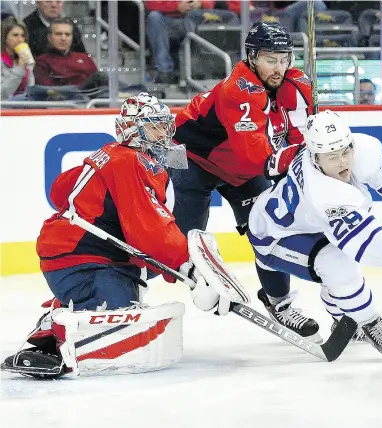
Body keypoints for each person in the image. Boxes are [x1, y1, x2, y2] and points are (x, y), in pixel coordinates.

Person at [1, 93, 231, 379]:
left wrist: (183, 266)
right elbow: (150, 228)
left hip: (80, 254)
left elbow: (61, 190)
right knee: (117, 319)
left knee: (131, 290)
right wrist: (188, 266)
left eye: (164, 125)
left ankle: (63, 314)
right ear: (133, 130)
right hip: (84, 259)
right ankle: (60, 330)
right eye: (154, 127)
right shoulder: (130, 162)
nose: (164, 134)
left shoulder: (114, 154)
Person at [247, 110, 382, 359]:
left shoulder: (355, 149)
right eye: (332, 157)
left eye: (346, 151)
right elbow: (364, 240)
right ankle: (370, 322)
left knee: (337, 264)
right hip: (272, 235)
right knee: (337, 263)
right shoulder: (322, 194)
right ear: (316, 158)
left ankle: (343, 315)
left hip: (309, 224)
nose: (343, 161)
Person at [169, 21, 321, 342]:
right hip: (190, 157)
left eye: (284, 59)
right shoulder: (238, 89)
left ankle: (278, 303)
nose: (279, 67)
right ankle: (178, 283)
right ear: (251, 57)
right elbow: (255, 155)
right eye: (270, 59)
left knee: (269, 229)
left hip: (238, 166)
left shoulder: (296, 84)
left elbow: (297, 136)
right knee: (185, 243)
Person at [33, 17, 99, 87]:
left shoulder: (86, 58)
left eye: (67, 34)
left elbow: (99, 85)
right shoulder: (42, 61)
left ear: (72, 37)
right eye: (58, 34)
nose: (63, 38)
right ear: (49, 37)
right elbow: (48, 91)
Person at [1, 16, 35, 100]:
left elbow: (30, 89)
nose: (20, 40)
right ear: (4, 37)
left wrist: (29, 67)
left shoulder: (22, 57)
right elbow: (2, 93)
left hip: (22, 107)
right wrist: (19, 69)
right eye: (15, 35)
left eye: (23, 36)